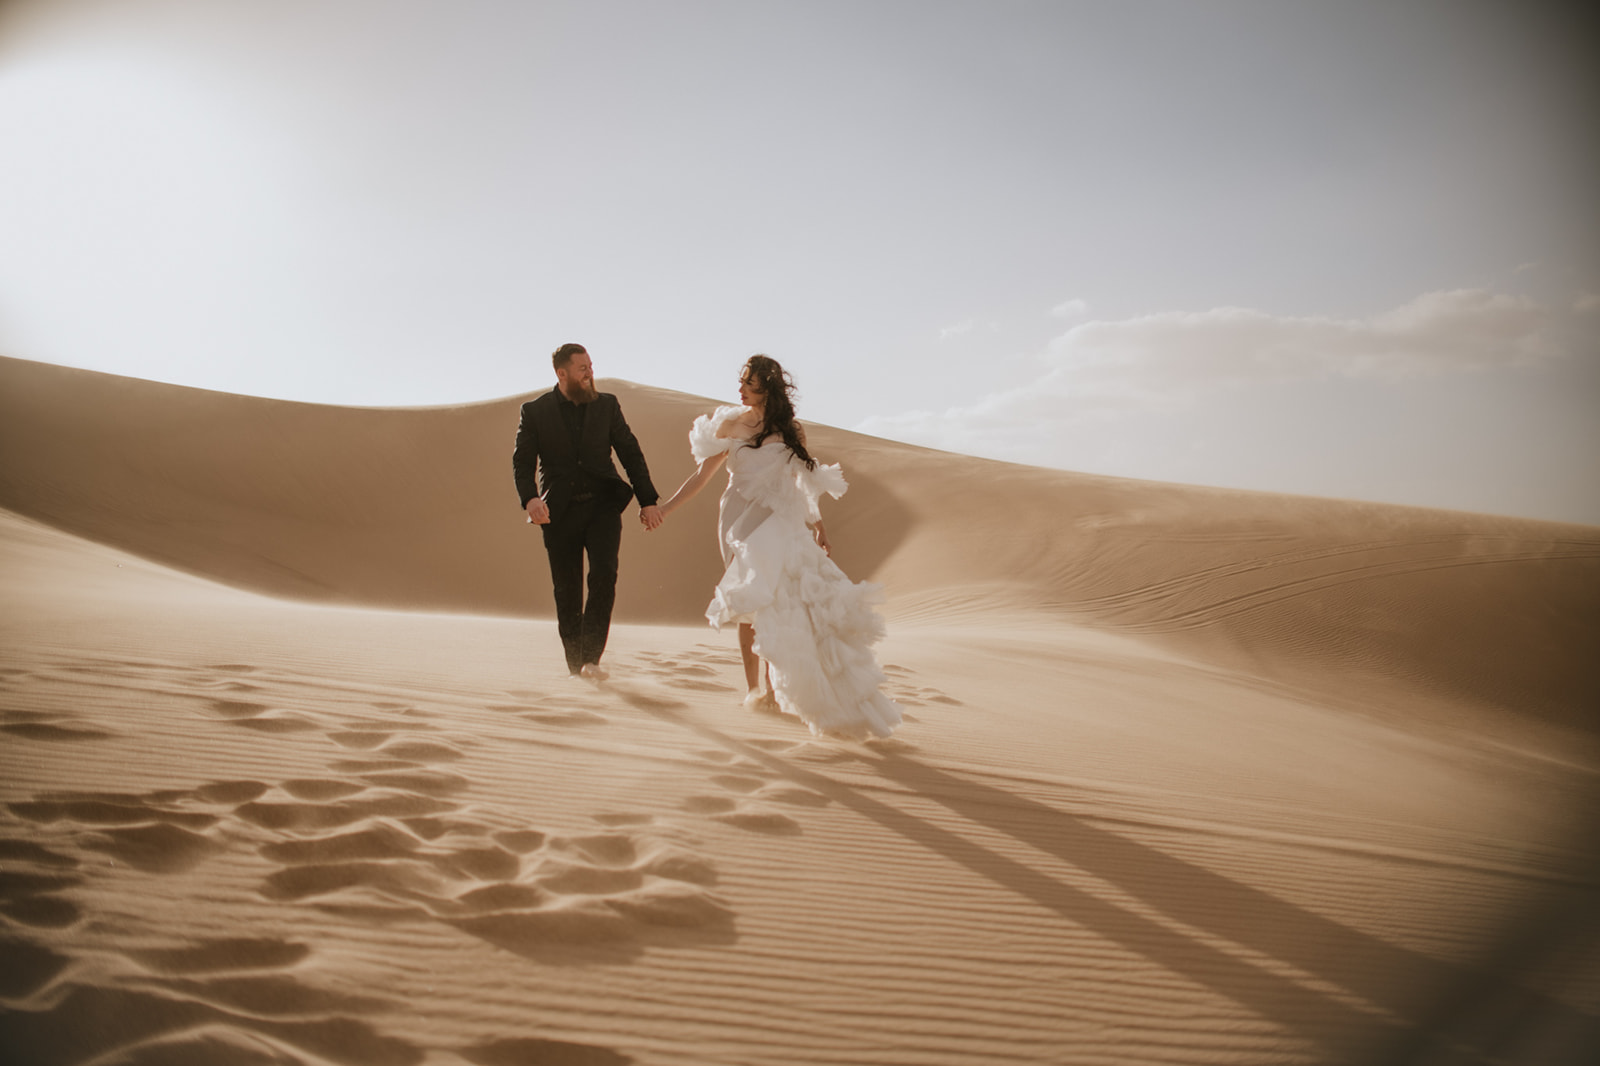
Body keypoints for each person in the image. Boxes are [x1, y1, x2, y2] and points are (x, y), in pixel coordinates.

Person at [654, 355, 901, 739]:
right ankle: (754, 689)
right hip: (737, 519)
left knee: (777, 597)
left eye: (747, 382)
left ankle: (776, 688)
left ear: (766, 387)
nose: (740, 390)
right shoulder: (729, 424)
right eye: (741, 382)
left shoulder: (792, 431)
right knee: (749, 595)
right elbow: (702, 477)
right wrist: (667, 508)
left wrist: (820, 526)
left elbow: (803, 484)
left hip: (778, 519)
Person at [513, 343, 662, 679]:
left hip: (603, 507)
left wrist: (647, 500)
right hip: (558, 512)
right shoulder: (535, 411)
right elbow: (522, 462)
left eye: (591, 366)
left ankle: (591, 660)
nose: (589, 373)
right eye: (582, 368)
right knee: (566, 589)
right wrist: (530, 499)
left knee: (604, 577)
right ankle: (574, 665)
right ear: (561, 373)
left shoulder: (607, 405)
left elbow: (630, 452)